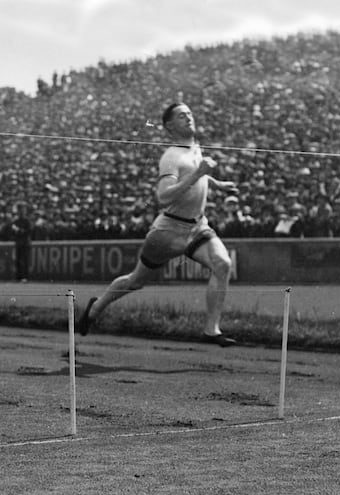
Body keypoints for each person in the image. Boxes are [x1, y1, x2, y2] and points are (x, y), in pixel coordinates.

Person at [77, 102, 239, 347]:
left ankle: (211, 330)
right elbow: (164, 196)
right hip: (168, 231)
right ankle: (95, 308)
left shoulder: (195, 147)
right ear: (169, 126)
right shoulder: (171, 157)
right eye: (181, 115)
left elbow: (195, 173)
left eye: (189, 113)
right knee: (136, 281)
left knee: (223, 263)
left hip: (197, 226)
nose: (188, 117)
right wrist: (199, 174)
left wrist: (217, 183)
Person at [12, 201, 33, 282]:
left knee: (25, 261)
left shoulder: (27, 221)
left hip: (25, 243)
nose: (21, 211)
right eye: (19, 209)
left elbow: (29, 231)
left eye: (22, 209)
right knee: (18, 261)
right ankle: (18, 277)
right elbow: (13, 233)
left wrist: (19, 231)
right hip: (19, 243)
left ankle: (25, 277)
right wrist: (15, 231)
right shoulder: (16, 221)